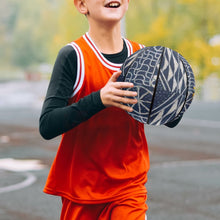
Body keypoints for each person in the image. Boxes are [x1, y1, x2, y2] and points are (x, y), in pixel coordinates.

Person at [39, 0, 179, 219]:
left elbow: (168, 118)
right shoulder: (73, 56)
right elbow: (47, 125)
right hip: (82, 190)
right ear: (81, 5)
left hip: (129, 186)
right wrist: (99, 99)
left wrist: (175, 99)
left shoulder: (144, 57)